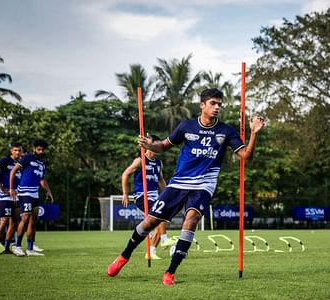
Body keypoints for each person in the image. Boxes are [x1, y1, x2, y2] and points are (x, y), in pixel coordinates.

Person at [107, 88, 265, 284]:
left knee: (190, 220)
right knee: (150, 222)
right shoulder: (186, 126)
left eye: (219, 104)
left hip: (204, 185)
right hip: (179, 182)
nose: (217, 107)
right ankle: (124, 256)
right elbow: (163, 146)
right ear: (202, 105)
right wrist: (149, 145)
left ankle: (170, 273)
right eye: (213, 103)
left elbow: (246, 157)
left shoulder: (226, 131)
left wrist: (253, 134)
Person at [121, 135, 176, 260]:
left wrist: (168, 193)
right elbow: (125, 174)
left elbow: (161, 180)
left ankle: (151, 252)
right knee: (160, 214)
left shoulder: (158, 163)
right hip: (142, 196)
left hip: (154, 196)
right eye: (155, 146)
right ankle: (164, 239)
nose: (158, 149)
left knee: (159, 220)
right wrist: (125, 193)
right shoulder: (140, 160)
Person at [9, 139, 54, 256]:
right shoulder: (28, 158)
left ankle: (30, 249)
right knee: (25, 218)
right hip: (25, 193)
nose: (40, 151)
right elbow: (13, 171)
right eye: (38, 149)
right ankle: (17, 246)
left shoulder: (43, 163)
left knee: (33, 221)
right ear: (34, 149)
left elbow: (42, 179)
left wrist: (48, 191)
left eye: (42, 149)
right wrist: (11, 189)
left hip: (35, 194)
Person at [0, 143, 23, 253]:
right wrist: (0, 186)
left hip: (17, 197)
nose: (18, 152)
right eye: (15, 150)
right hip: (5, 197)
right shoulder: (5, 161)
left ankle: (7, 247)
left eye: (19, 151)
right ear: (11, 151)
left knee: (14, 222)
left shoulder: (21, 164)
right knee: (3, 221)